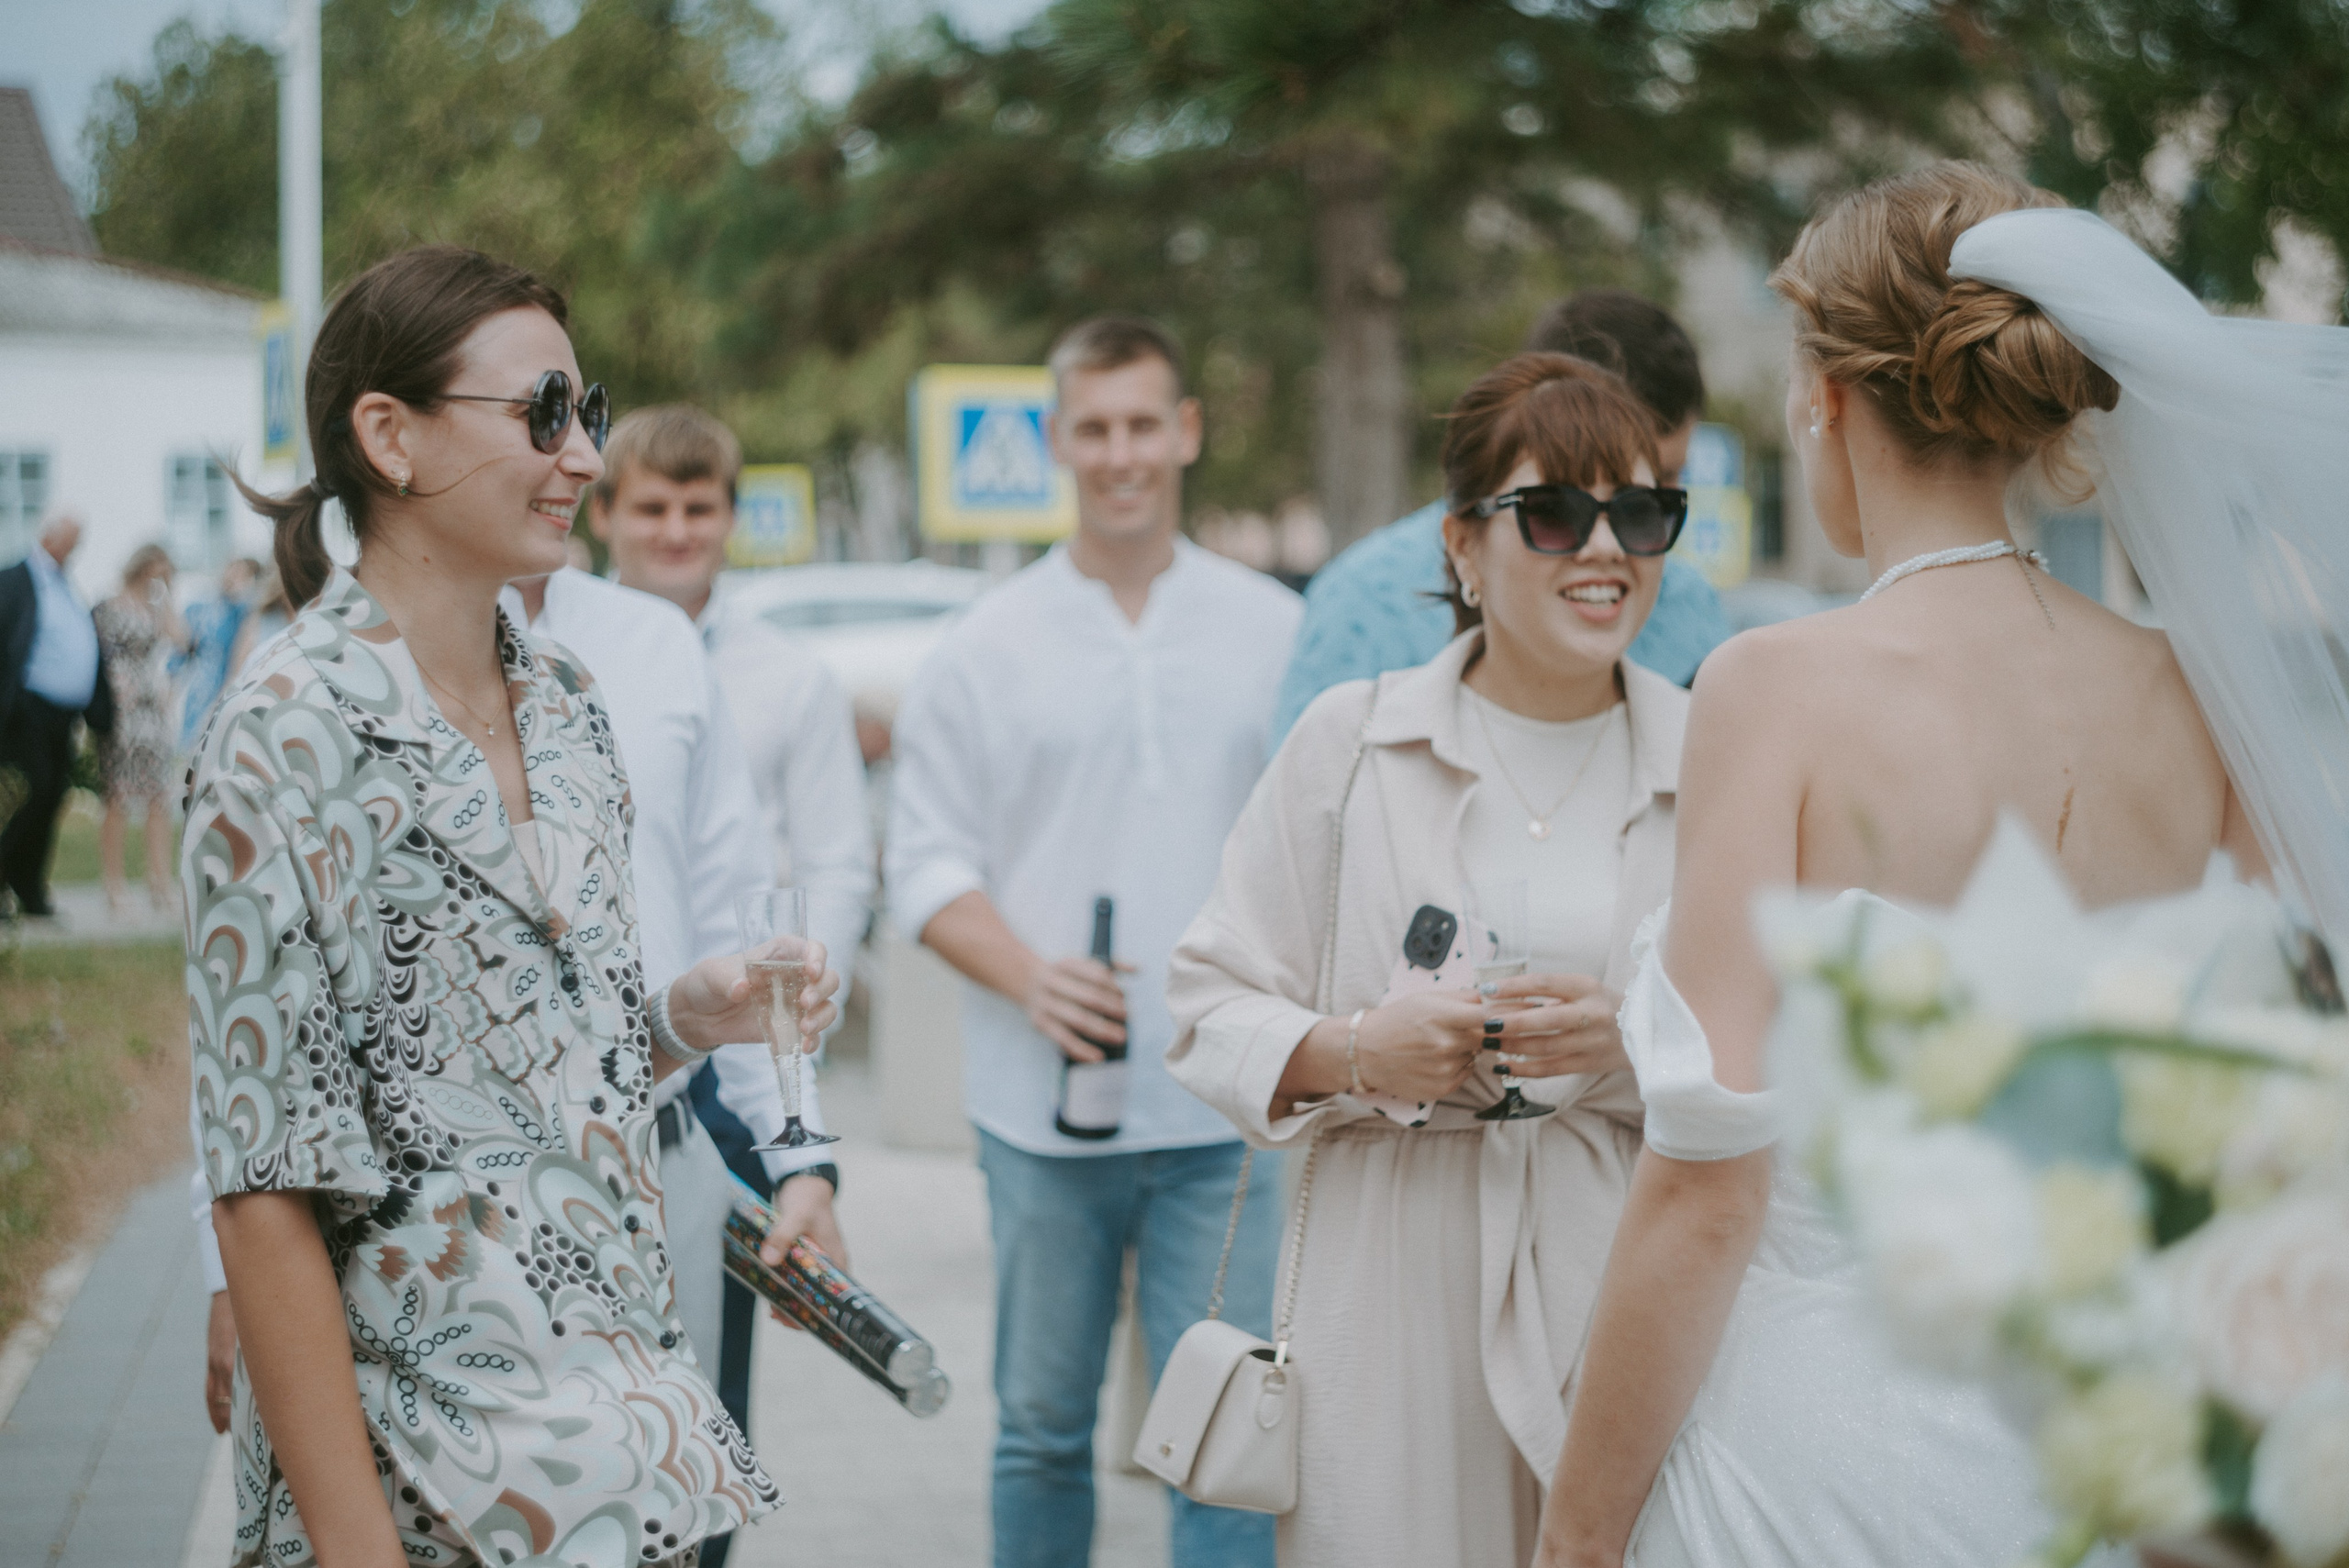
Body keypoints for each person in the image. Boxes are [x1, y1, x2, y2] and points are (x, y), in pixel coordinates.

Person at [1532, 162, 2276, 1568]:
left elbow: (1705, 1191)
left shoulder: (1777, 688)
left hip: (1819, 1468)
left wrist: (1572, 1539)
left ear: (1829, 397)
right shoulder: (2194, 698)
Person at [186, 242, 841, 1568]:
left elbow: (550, 1073)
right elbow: (267, 1192)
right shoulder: (282, 736)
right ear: (391, 436)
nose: (585, 458)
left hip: (626, 1460)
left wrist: (680, 1017)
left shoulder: (569, 701)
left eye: (586, 414)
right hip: (424, 1484)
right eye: (545, 413)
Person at [1166, 354, 1690, 1566]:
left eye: (1645, 513)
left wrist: (1628, 1048)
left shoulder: (1715, 752)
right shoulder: (1349, 742)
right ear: (1464, 545)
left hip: (1620, 1267)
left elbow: (1784, 1047)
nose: (1604, 548)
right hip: (1388, 1271)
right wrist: (1356, 1049)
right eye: (1555, 512)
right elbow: (1203, 1004)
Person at [887, 315, 1298, 1568]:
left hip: (1224, 1119)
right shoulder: (985, 641)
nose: (1121, 452)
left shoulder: (1275, 626)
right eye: (1095, 427)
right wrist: (1030, 976)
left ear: (1185, 432)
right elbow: (925, 859)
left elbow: (1321, 844)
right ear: (1060, 439)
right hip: (1040, 1113)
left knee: (1224, 1437)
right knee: (1043, 1431)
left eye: (1143, 424)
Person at [584, 408, 876, 1536]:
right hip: (592, 1075)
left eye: (697, 508)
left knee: (706, 1422)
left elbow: (832, 862)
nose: (674, 530)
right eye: (650, 506)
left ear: (730, 517)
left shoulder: (787, 674)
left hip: (729, 1067)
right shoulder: (539, 648)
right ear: (606, 512)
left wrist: (796, 1028)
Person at [1271, 291, 1731, 744]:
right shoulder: (1363, 600)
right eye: (1560, 507)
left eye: (1651, 488)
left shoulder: (1691, 605)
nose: (1607, 544)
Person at [0, 515, 114, 917]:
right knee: (33, 788)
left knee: (52, 797)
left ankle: (29, 887)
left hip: (64, 716)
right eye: (71, 540)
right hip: (27, 709)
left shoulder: (66, 585)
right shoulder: (15, 579)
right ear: (49, 537)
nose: (75, 549)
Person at [94, 542, 190, 915]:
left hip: (154, 714)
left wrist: (168, 593)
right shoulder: (110, 606)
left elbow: (181, 639)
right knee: (118, 795)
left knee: (158, 797)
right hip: (122, 713)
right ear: (142, 564)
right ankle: (114, 882)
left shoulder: (155, 609)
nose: (159, 573)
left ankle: (159, 879)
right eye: (157, 567)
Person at [177, 555, 262, 751]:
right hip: (196, 684)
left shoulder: (244, 610)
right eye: (232, 569)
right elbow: (183, 646)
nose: (232, 577)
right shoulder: (201, 606)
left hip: (221, 683)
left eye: (241, 574)